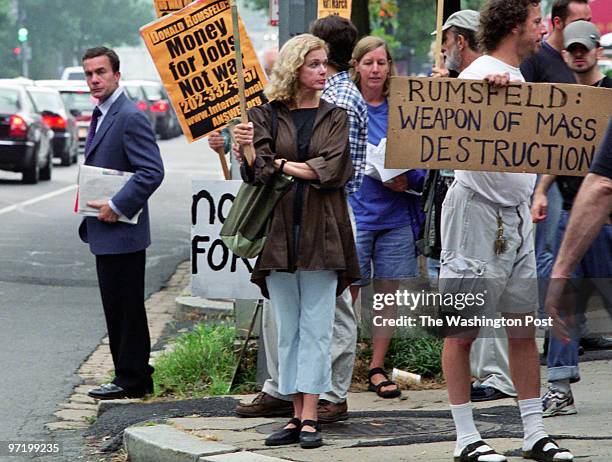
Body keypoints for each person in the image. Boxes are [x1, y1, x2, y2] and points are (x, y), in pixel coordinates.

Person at [439, 1, 574, 461]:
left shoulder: (517, 78)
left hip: (514, 216)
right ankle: (465, 438)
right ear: (517, 26)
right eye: (537, 22)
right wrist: (480, 94)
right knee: (463, 328)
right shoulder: (482, 76)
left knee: (520, 326)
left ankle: (533, 431)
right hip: (476, 214)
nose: (542, 30)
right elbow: (457, 122)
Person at [235, 15, 368, 423]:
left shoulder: (335, 114)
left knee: (319, 328)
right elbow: (258, 175)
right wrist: (248, 153)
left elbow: (331, 169)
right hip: (279, 234)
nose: (323, 71)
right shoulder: (266, 114)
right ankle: (295, 414)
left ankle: (311, 413)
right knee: (286, 329)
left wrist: (277, 161)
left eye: (325, 63)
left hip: (323, 232)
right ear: (295, 68)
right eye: (314, 64)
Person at [531, 21, 612, 417]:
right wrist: (543, 189)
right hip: (570, 212)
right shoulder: (562, 99)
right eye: (572, 49)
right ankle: (560, 386)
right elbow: (560, 153)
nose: (579, 54)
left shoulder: (611, 91)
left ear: (597, 50)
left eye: (585, 48)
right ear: (564, 54)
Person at [80, 47, 165, 400]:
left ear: (117, 75)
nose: (95, 79)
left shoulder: (128, 115)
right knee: (117, 307)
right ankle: (130, 375)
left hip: (122, 230)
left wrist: (117, 204)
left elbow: (152, 171)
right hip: (107, 231)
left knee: (126, 308)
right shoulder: (102, 113)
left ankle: (132, 379)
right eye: (89, 74)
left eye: (101, 72)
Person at [348, 36, 425, 398]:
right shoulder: (345, 106)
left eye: (382, 62)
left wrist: (409, 178)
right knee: (348, 291)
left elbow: (426, 155)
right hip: (357, 213)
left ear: (390, 67)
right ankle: (342, 363)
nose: (376, 69)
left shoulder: (402, 107)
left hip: (396, 213)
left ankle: (377, 367)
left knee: (386, 297)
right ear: (356, 67)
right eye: (368, 63)